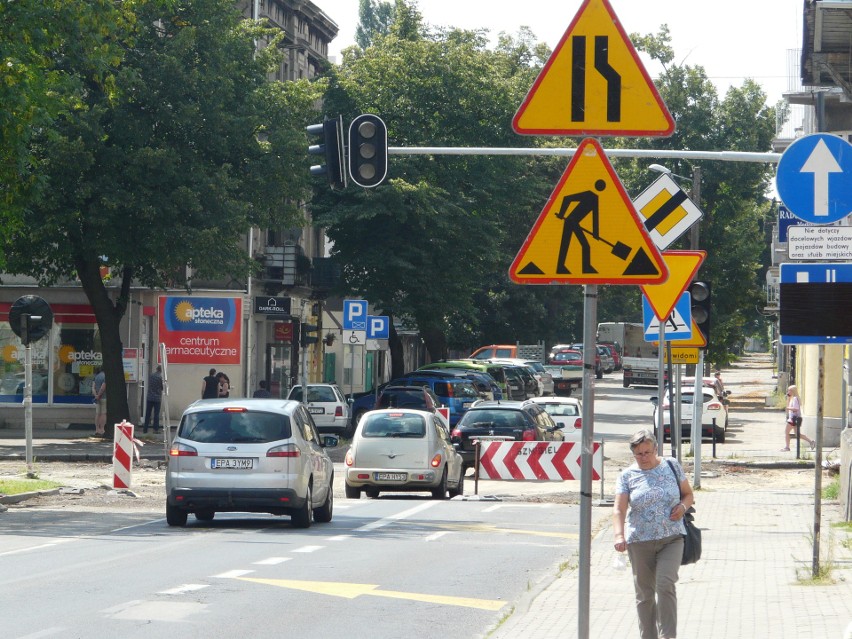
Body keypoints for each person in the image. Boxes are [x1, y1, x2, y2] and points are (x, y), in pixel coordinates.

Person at [613, 429, 694, 639]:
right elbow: (619, 509)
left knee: (665, 584)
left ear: (656, 449)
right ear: (633, 454)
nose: (644, 458)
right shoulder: (627, 476)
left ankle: (668, 636)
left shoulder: (671, 465)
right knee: (644, 594)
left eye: (647, 452)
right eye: (639, 454)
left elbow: (688, 495)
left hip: (672, 538)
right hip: (640, 541)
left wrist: (683, 508)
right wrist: (619, 535)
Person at [782, 384, 813, 451]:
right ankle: (811, 442)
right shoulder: (793, 398)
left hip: (793, 419)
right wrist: (788, 398)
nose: (788, 392)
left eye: (789, 390)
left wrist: (788, 408)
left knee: (786, 432)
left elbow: (796, 408)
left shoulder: (795, 399)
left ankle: (787, 447)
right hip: (794, 418)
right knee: (797, 434)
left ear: (793, 391)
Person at [143, 365, 164, 434]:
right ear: (161, 370)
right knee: (156, 414)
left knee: (148, 413)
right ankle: (155, 429)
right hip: (157, 398)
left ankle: (145, 429)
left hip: (149, 397)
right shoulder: (160, 378)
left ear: (156, 369)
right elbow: (162, 387)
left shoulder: (151, 376)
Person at [92, 366, 107, 436]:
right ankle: (102, 429)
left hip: (97, 399)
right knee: (103, 413)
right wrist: (99, 395)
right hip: (104, 397)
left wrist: (96, 395)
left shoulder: (97, 376)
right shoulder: (105, 376)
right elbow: (103, 387)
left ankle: (97, 429)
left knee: (97, 413)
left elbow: (93, 387)